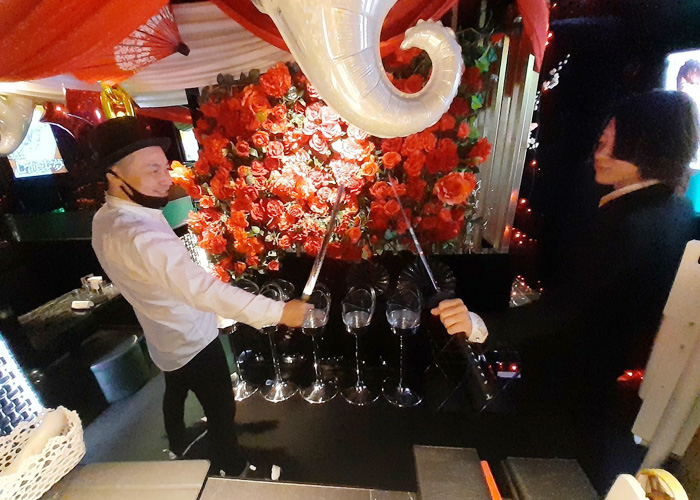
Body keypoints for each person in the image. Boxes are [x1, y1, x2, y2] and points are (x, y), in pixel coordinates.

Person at [434, 90, 700, 401]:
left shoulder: (629, 225)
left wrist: (480, 325)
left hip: (571, 380)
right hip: (604, 374)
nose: (600, 155)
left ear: (651, 150)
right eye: (602, 142)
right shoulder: (677, 208)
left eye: (614, 146)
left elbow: (566, 311)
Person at [89, 117, 312, 477]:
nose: (167, 180)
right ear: (114, 176)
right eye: (153, 170)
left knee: (175, 389)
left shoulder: (105, 218)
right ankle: (234, 468)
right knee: (222, 409)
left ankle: (178, 441)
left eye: (165, 168)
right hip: (192, 339)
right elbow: (202, 291)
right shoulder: (141, 236)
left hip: (160, 334)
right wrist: (280, 312)